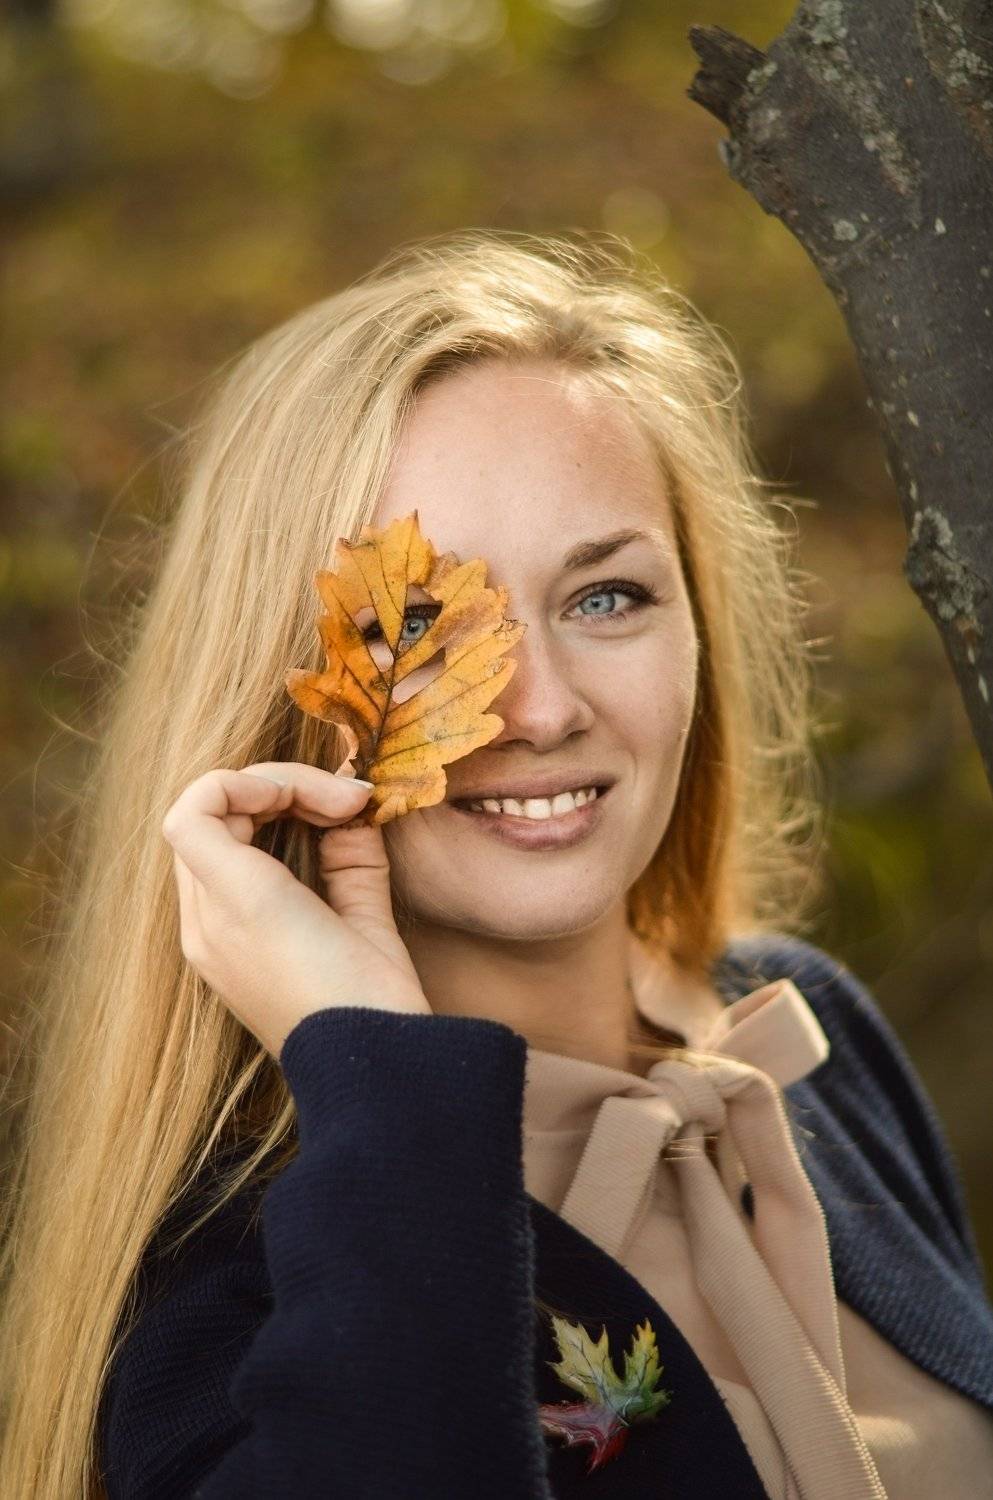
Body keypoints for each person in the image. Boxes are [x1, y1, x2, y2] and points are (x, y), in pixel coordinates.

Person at [1, 230, 991, 1499]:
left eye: (606, 597)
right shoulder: (234, 1272)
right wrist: (380, 1077)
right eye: (420, 624)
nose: (539, 710)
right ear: (274, 692)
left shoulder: (803, 1042)